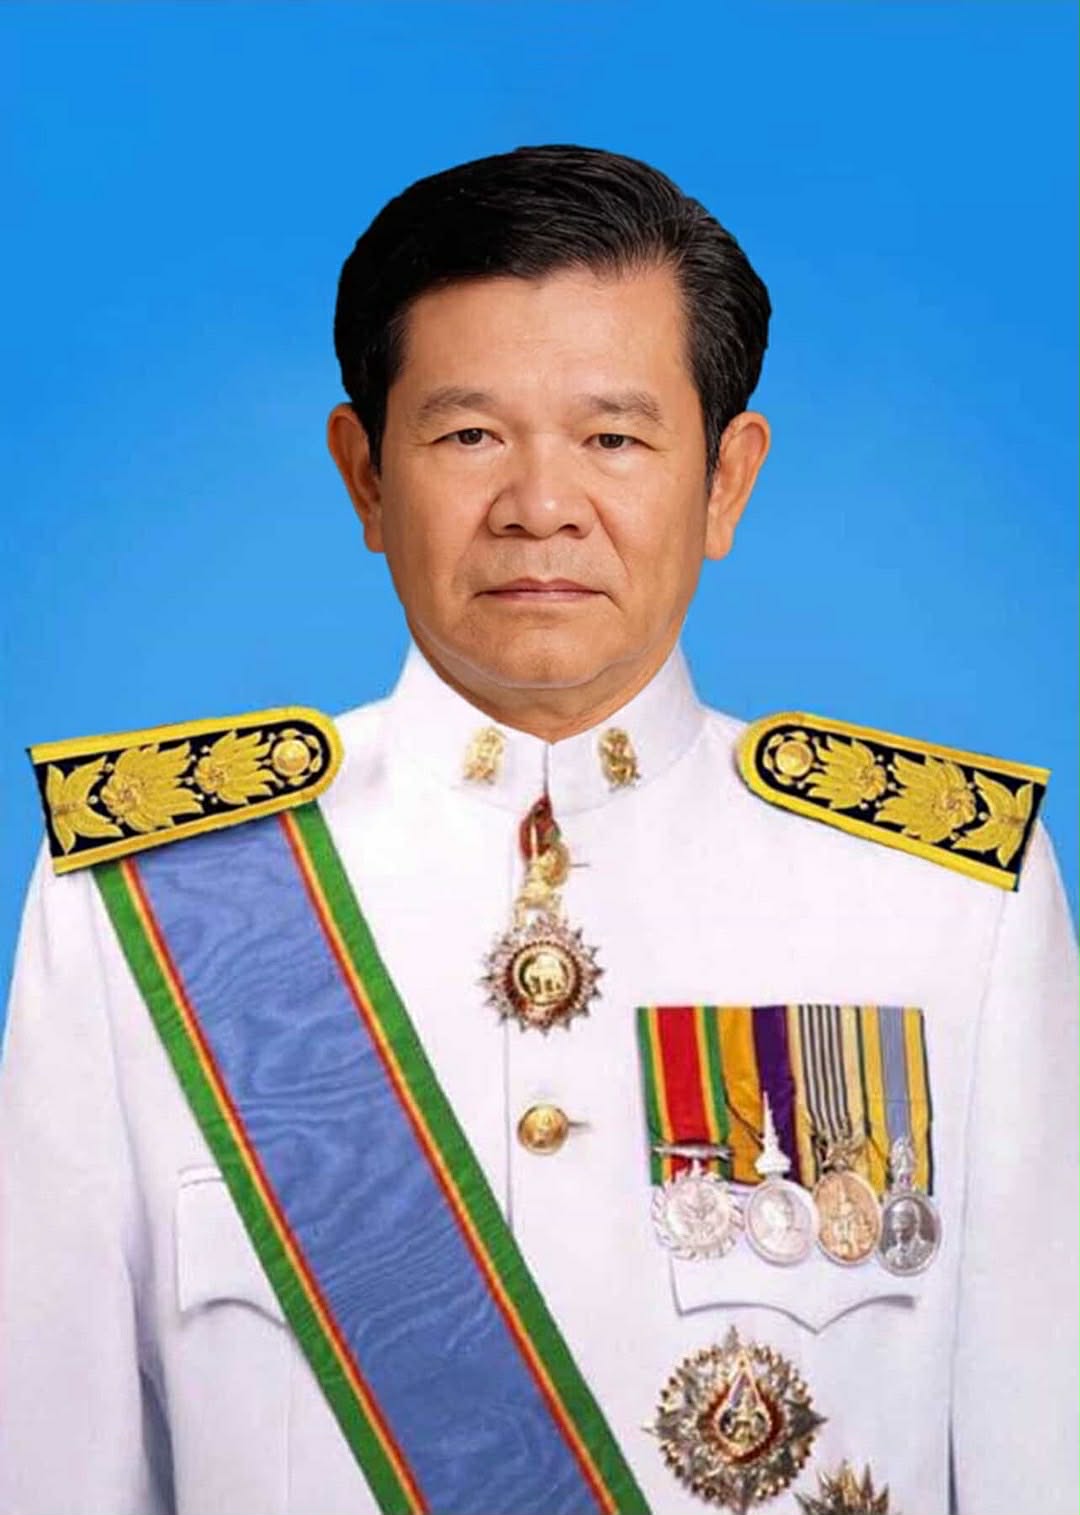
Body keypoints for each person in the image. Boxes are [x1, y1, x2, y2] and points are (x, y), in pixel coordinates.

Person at [1, 144, 1077, 1515]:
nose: (540, 506)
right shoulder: (145, 895)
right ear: (365, 476)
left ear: (727, 479)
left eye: (614, 438)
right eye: (468, 437)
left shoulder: (948, 901)